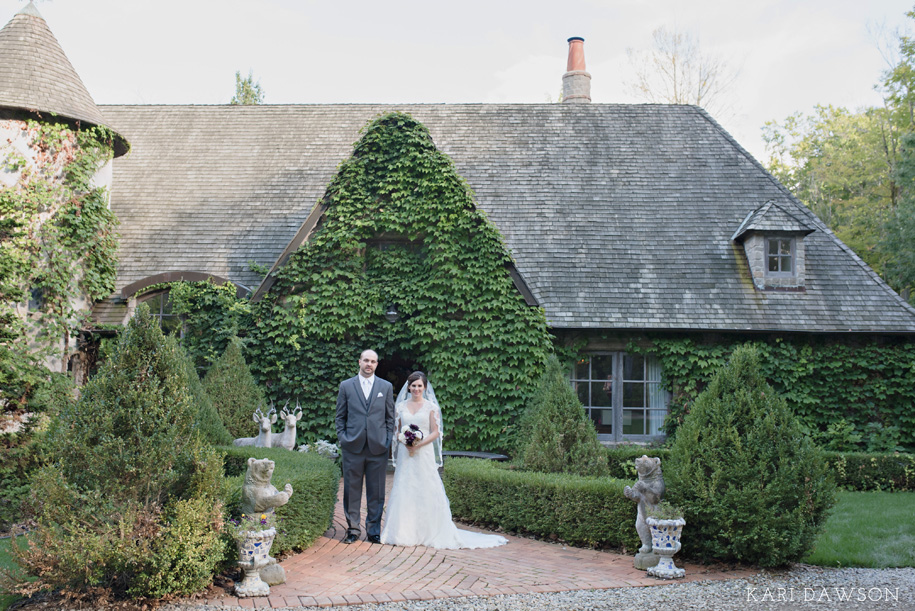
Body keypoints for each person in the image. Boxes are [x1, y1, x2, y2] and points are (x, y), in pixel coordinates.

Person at [380, 371, 508, 549]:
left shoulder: (431, 407)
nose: (416, 389)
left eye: (419, 386)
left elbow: (435, 432)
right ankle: (403, 531)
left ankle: (429, 531)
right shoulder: (400, 406)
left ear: (424, 387)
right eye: (413, 385)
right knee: (404, 486)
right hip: (406, 454)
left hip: (423, 453)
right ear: (408, 387)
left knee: (425, 487)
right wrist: (405, 440)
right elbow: (398, 429)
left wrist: (418, 443)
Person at [335, 349, 395, 544]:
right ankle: (353, 529)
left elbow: (389, 418)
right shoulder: (346, 386)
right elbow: (340, 416)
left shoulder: (385, 387)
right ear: (359, 362)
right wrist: (343, 438)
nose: (369, 364)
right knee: (351, 490)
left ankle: (374, 531)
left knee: (376, 491)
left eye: (373, 361)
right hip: (352, 446)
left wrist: (386, 441)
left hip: (378, 448)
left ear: (377, 364)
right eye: (366, 360)